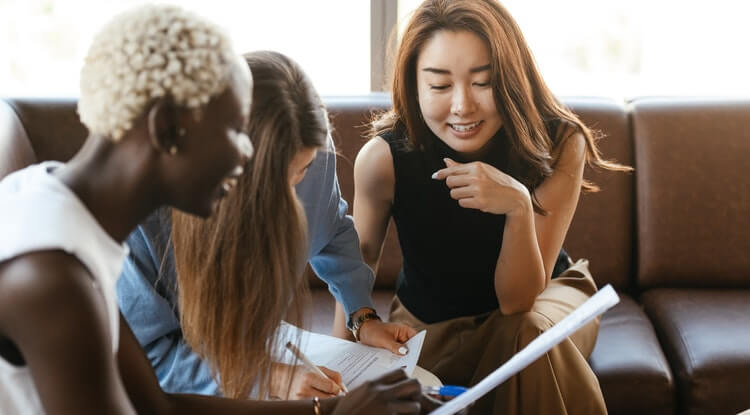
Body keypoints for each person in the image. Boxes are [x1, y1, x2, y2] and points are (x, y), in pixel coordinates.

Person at [0, 5, 426, 414]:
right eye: (233, 129)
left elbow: (158, 406)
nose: (244, 154)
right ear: (168, 130)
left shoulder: (68, 218)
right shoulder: (50, 278)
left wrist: (331, 408)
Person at [346, 0, 632, 414]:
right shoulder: (383, 158)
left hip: (546, 300)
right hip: (429, 321)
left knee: (525, 337)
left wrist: (517, 206)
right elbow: (355, 264)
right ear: (414, 85)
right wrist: (340, 368)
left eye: (484, 82)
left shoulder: (561, 142)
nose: (463, 105)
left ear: (512, 80)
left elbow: (518, 302)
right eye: (440, 86)